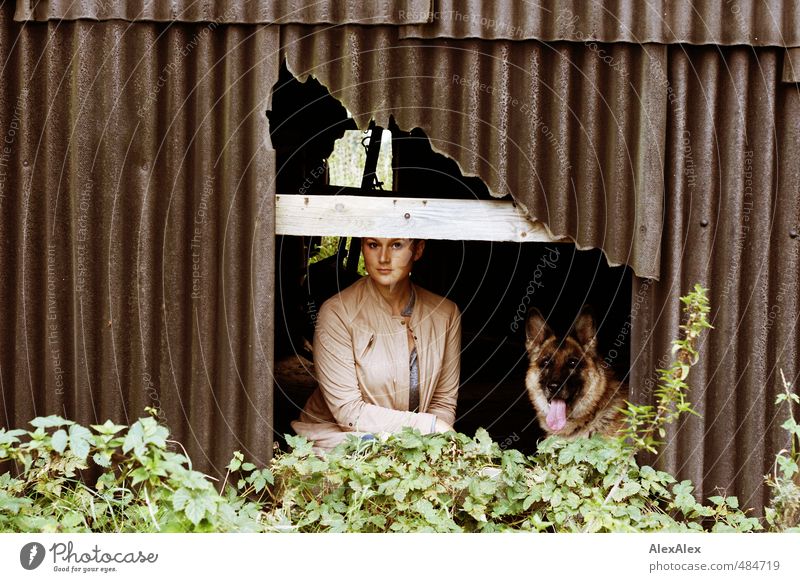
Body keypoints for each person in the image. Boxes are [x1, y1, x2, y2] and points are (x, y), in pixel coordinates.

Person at [291, 237, 461, 452]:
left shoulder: (446, 314)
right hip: (338, 443)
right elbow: (348, 413)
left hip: (411, 446)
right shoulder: (337, 313)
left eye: (396, 245)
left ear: (418, 250)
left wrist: (431, 446)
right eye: (373, 245)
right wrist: (430, 427)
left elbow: (442, 403)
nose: (383, 258)